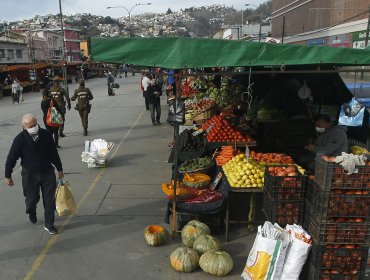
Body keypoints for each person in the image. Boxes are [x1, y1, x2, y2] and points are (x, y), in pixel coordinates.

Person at [4, 113, 64, 235]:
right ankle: (31, 211)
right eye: (30, 126)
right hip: (29, 175)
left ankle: (49, 224)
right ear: (24, 126)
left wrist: (59, 169)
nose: (33, 127)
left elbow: (53, 153)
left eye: (35, 124)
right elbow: (11, 158)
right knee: (32, 199)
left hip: (47, 173)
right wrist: (7, 175)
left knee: (49, 200)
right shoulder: (19, 140)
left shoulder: (46, 135)